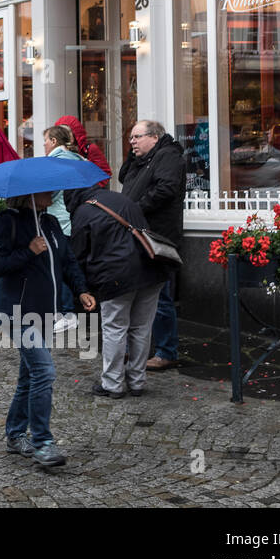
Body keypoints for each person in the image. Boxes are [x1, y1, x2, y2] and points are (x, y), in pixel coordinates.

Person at [0, 192, 95, 469]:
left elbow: (67, 262)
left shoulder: (51, 223)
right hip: (18, 313)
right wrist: (28, 251)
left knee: (29, 377)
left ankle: (14, 434)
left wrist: (81, 290)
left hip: (46, 313)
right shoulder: (7, 222)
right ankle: (43, 443)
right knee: (44, 371)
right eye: (47, 190)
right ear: (30, 195)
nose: (54, 193)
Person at [68, 183, 167, 397]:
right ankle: (137, 382)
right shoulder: (122, 199)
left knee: (115, 328)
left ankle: (112, 384)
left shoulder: (83, 212)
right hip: (150, 269)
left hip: (115, 276)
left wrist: (83, 288)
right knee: (141, 328)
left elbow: (78, 254)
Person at [118, 118, 186, 371]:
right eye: (130, 138)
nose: (132, 142)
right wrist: (133, 154)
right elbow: (123, 175)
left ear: (154, 137)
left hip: (158, 236)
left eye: (137, 137)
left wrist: (135, 209)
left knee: (161, 296)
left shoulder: (168, 156)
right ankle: (132, 349)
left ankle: (167, 351)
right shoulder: (143, 160)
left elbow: (165, 190)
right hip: (138, 233)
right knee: (135, 293)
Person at [43, 124, 85, 334]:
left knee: (59, 267)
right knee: (70, 265)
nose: (43, 145)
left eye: (45, 140)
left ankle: (67, 314)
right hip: (76, 219)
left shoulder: (54, 162)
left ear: (53, 141)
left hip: (58, 219)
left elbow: (51, 191)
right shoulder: (79, 160)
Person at [54, 114, 111, 179]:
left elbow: (104, 173)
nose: (65, 136)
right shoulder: (57, 152)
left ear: (75, 132)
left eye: (67, 132)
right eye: (61, 133)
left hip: (88, 187)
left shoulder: (89, 149)